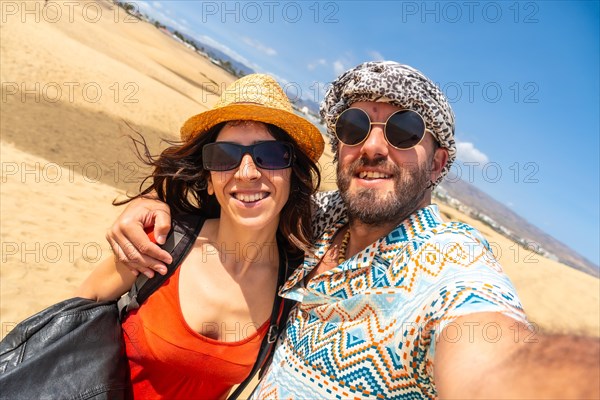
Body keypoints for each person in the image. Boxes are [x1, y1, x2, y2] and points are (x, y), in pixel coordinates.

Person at [105, 62, 599, 398]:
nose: (373, 147)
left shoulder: (449, 262)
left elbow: (495, 363)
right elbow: (240, 191)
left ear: (439, 164)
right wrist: (154, 206)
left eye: (404, 131)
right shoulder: (315, 220)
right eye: (354, 127)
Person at [75, 73, 324, 399]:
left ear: (292, 175)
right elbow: (77, 313)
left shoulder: (292, 287)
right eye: (225, 156)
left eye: (271, 155)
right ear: (209, 180)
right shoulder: (161, 241)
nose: (247, 172)